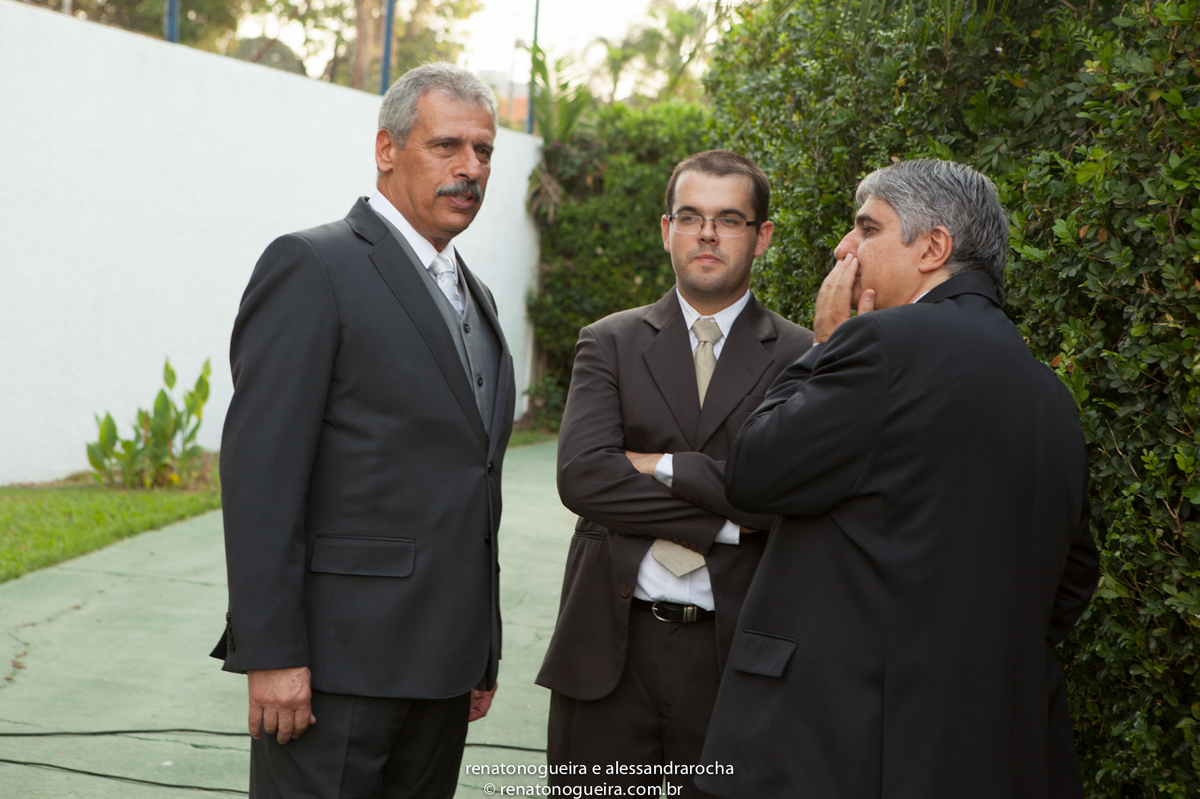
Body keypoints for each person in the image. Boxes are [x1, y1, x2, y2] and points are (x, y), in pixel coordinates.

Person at [697, 158, 1099, 799]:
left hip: (843, 750)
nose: (843, 248)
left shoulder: (878, 344)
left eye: (867, 228)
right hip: (993, 755)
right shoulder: (1050, 395)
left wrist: (824, 345)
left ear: (933, 248)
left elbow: (755, 472)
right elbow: (1073, 576)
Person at [210, 63, 514, 799]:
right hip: (333, 670)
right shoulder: (313, 266)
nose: (469, 168)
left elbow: (471, 483)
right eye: (447, 146)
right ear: (387, 148)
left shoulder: (479, 295)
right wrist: (273, 653)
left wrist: (482, 653)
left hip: (443, 669)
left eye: (483, 151)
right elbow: (261, 476)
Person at [536, 150, 812, 797]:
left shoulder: (802, 357)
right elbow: (582, 477)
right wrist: (725, 521)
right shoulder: (609, 341)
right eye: (690, 217)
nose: (707, 234)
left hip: (732, 661)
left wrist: (658, 465)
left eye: (729, 219)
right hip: (609, 653)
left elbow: (782, 500)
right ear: (667, 230)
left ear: (762, 236)